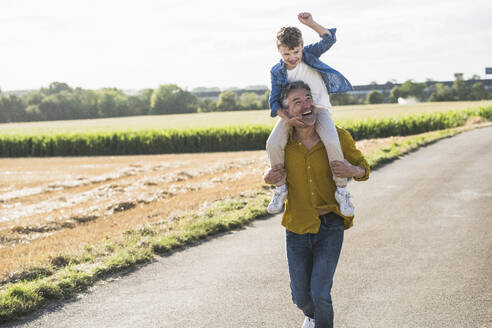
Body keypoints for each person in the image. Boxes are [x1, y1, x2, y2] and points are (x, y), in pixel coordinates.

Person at [263, 81, 370, 328]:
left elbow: (364, 169)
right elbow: (272, 171)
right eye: (296, 102)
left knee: (321, 293)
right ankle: (311, 317)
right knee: (301, 297)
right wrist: (268, 178)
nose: (305, 105)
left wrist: (351, 169)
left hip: (330, 225)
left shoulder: (337, 136)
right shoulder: (284, 142)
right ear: (286, 111)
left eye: (308, 98)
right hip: (297, 227)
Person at [266, 12, 354, 217]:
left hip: (319, 108)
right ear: (279, 52)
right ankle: (280, 188)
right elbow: (274, 102)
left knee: (332, 141)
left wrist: (311, 23)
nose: (292, 58)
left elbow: (329, 39)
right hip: (293, 113)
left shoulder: (310, 55)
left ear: (302, 47)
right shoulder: (277, 71)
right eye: (286, 54)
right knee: (273, 143)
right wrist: (288, 118)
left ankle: (342, 191)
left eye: (296, 52)